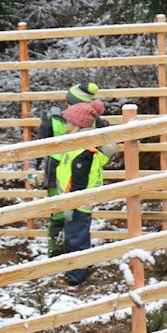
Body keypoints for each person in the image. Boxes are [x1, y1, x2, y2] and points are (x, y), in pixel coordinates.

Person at [48, 98, 113, 286]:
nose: (65, 125)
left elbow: (79, 182)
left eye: (68, 122)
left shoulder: (83, 151)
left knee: (76, 239)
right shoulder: (77, 146)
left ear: (77, 125)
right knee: (76, 236)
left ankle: (77, 276)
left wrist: (71, 205)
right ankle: (79, 267)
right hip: (74, 202)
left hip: (78, 204)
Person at [37, 83, 103, 254]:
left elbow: (99, 153)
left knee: (73, 223)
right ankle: (56, 252)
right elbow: (37, 144)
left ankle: (70, 257)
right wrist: (32, 167)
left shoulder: (92, 123)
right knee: (58, 215)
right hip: (56, 176)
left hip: (76, 181)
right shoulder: (53, 118)